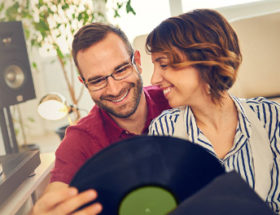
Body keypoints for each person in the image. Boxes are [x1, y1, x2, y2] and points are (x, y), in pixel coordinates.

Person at [146, 9, 280, 214]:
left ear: (204, 60)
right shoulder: (164, 130)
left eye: (163, 64)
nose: (154, 79)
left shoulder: (271, 117)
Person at [31, 23, 170, 214]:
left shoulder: (173, 99)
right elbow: (53, 197)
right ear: (84, 83)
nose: (114, 89)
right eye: (97, 80)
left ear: (137, 61)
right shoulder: (79, 140)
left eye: (121, 70)